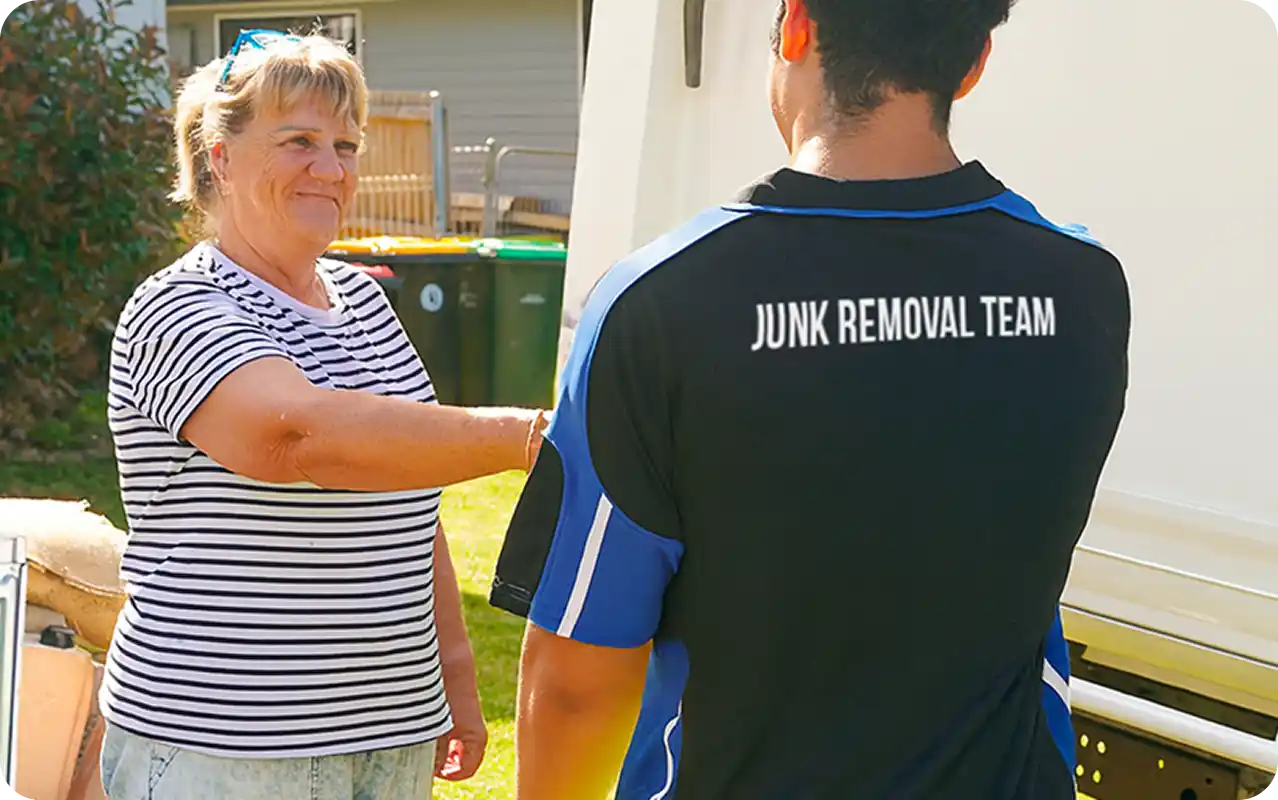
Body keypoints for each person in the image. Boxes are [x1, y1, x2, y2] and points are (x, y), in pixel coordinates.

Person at [489, 0, 1131, 797]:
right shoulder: (1084, 286)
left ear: (795, 25)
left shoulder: (661, 302)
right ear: (973, 64)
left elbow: (580, 680)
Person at [98, 30, 547, 799]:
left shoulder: (365, 301)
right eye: (300, 141)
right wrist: (530, 438)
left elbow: (407, 484)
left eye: (346, 145)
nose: (333, 169)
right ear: (220, 155)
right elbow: (297, 437)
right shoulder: (178, 304)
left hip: (390, 732)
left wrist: (454, 679)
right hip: (228, 745)